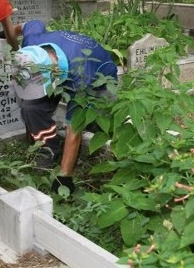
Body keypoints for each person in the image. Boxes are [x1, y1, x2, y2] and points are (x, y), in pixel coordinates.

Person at [9, 20, 118, 194]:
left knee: (95, 122)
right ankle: (50, 146)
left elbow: (73, 129)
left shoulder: (83, 76)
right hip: (63, 68)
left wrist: (65, 175)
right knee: (30, 108)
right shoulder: (31, 44)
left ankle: (110, 156)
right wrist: (6, 33)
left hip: (99, 79)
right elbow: (31, 23)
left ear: (54, 73)